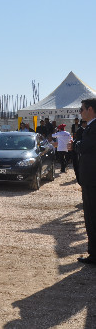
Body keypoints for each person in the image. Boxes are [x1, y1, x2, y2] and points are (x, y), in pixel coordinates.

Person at [76, 98, 96, 265]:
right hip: (90, 179)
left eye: (82, 109)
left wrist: (74, 145)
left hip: (92, 179)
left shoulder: (93, 128)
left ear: (90, 109)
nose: (80, 112)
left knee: (91, 217)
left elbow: (85, 147)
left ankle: (94, 254)